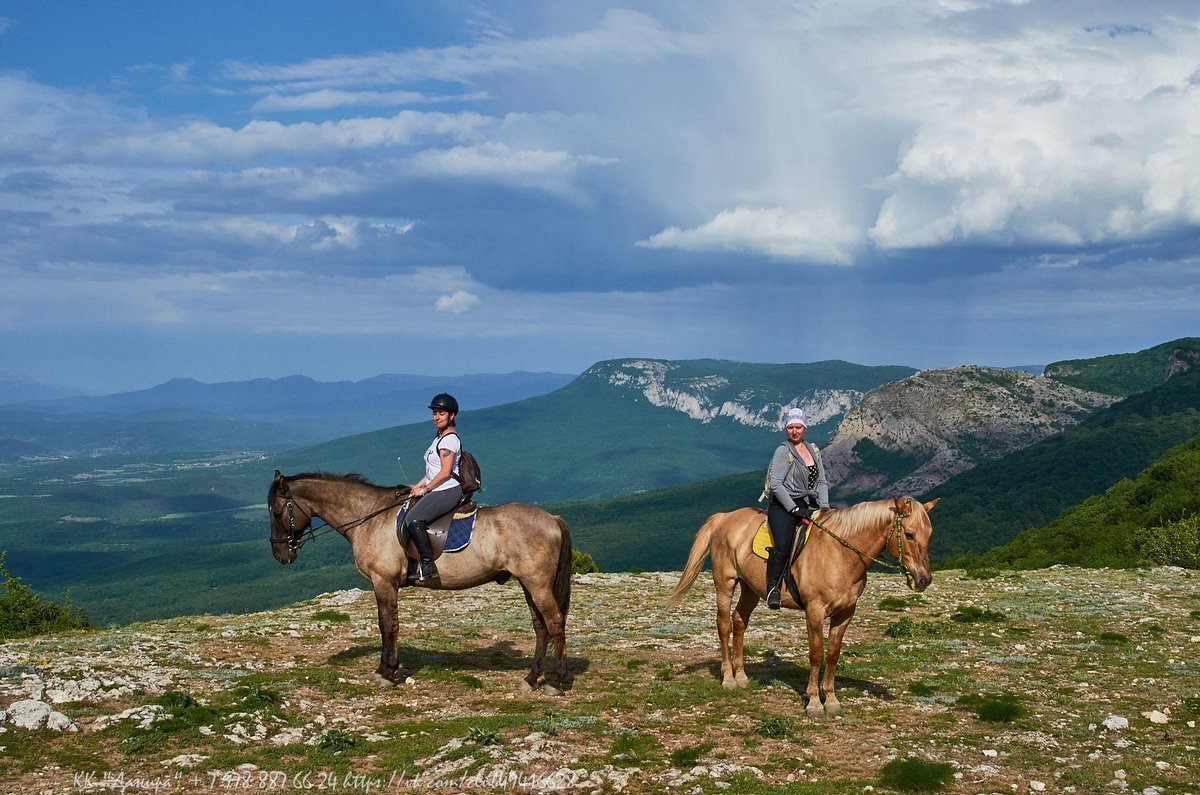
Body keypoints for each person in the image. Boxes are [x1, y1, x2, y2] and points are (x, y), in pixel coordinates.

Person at [764, 407, 829, 609]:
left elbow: (822, 481)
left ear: (804, 428)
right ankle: (772, 589)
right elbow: (776, 484)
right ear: (786, 429)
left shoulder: (813, 450)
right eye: (790, 427)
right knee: (783, 545)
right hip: (782, 506)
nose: (794, 431)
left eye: (798, 427)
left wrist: (825, 508)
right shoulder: (783, 451)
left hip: (806, 504)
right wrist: (793, 509)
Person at [400, 392, 465, 582]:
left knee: (413, 518)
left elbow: (445, 473)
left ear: (451, 416)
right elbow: (433, 471)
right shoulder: (439, 438)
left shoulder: (449, 441)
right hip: (438, 486)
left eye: (441, 413)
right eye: (435, 413)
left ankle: (427, 565)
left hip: (447, 490)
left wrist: (426, 490)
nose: (436, 417)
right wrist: (418, 485)